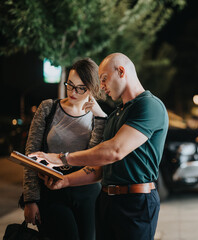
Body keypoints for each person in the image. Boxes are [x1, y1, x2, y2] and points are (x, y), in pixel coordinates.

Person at [30, 53, 169, 240]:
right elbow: (98, 169)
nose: (101, 87)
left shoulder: (148, 106)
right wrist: (66, 181)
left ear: (121, 71)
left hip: (135, 202)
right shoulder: (116, 115)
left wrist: (62, 158)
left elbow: (114, 151)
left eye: (104, 79)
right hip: (106, 201)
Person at [23, 58, 107, 240]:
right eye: (70, 85)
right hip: (51, 190)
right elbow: (31, 154)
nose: (73, 92)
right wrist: (31, 199)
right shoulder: (49, 108)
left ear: (92, 88)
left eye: (80, 88)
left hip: (87, 193)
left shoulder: (98, 116)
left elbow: (93, 158)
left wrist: (100, 117)